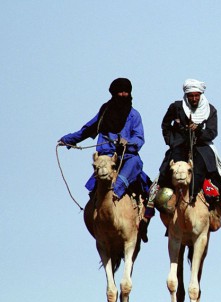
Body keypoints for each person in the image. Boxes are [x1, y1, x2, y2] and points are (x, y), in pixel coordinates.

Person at [58, 77, 152, 242]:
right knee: (98, 182)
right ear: (113, 93)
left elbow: (139, 137)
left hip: (126, 155)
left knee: (146, 182)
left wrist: (127, 144)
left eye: (126, 92)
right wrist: (69, 139)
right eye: (120, 92)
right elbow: (88, 129)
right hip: (106, 155)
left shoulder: (134, 115)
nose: (123, 95)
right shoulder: (105, 112)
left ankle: (133, 213)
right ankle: (97, 221)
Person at [156, 78, 221, 211]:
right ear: (186, 96)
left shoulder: (210, 110)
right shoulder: (176, 107)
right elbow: (165, 125)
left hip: (201, 146)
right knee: (166, 172)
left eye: (197, 95)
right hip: (179, 145)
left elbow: (212, 132)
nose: (194, 99)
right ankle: (158, 201)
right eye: (191, 96)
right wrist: (170, 140)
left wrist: (198, 130)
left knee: (207, 169)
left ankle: (220, 198)